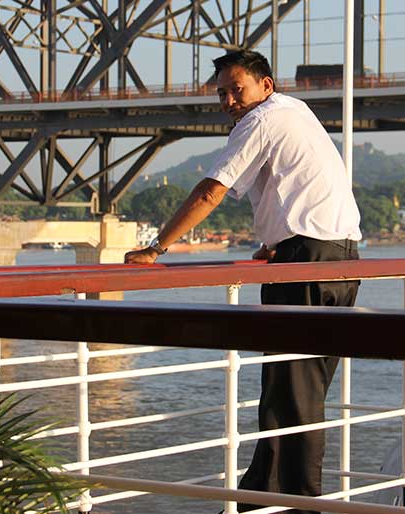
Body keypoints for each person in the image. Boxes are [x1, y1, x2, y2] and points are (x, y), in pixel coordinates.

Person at [124, 50, 361, 513]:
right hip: (341, 259)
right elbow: (296, 185)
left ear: (265, 86)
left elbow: (213, 189)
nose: (230, 100)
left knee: (294, 396)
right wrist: (279, 241)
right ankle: (258, 500)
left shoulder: (261, 120)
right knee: (292, 390)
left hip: (306, 264)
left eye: (238, 89)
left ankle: (301, 505)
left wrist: (157, 249)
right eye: (222, 93)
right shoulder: (295, 111)